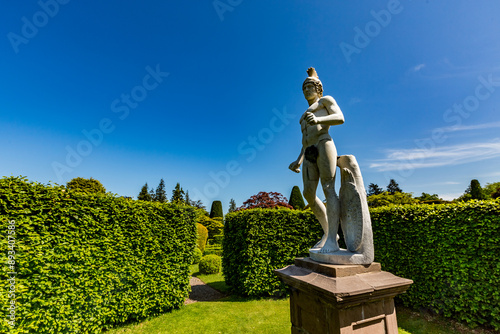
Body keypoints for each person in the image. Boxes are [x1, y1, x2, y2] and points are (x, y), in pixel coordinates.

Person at [289, 68, 345, 253]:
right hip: (309, 152)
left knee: (328, 189)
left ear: (318, 88)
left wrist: (320, 120)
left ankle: (332, 239)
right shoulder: (304, 114)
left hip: (324, 144)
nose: (306, 90)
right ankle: (329, 233)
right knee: (308, 194)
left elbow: (340, 118)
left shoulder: (325, 101)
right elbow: (305, 140)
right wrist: (298, 159)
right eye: (304, 87)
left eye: (309, 86)